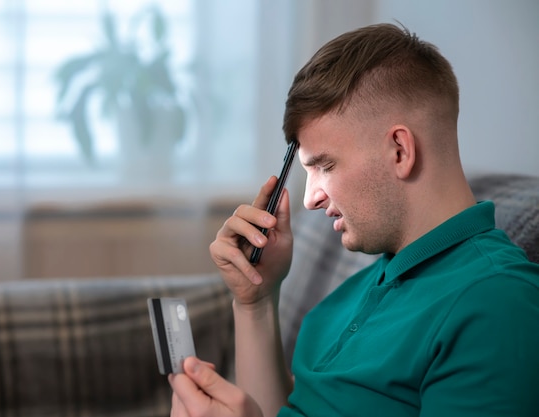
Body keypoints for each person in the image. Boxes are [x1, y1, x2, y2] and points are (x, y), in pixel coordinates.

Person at [168, 23, 539, 417]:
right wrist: (255, 300)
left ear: (400, 150)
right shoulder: (360, 287)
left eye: (325, 165)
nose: (309, 199)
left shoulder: (496, 304)